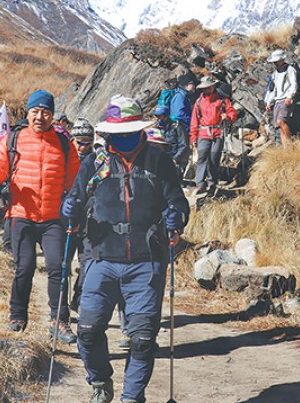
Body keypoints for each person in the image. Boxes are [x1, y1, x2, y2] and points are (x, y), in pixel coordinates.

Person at [61, 95, 190, 403]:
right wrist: (71, 208)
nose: (122, 138)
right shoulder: (95, 162)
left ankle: (132, 398)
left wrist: (177, 216)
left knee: (143, 340)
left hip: (147, 262)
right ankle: (100, 383)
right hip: (100, 259)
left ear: (140, 129)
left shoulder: (160, 162)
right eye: (117, 133)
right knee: (88, 332)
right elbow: (77, 199)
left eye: (128, 131)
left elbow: (179, 203)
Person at [0, 89, 80, 342]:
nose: (40, 117)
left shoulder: (65, 144)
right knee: (24, 266)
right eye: (35, 111)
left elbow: (76, 180)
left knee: (59, 267)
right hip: (21, 214)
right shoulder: (12, 141)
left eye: (45, 112)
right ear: (28, 113)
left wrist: (77, 205)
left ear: (52, 115)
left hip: (53, 218)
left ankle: (60, 321)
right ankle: (18, 314)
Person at [190, 76, 238, 195]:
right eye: (205, 88)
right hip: (203, 133)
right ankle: (200, 183)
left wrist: (228, 117)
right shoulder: (199, 101)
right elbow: (194, 121)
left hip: (217, 133)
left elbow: (232, 112)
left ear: (213, 86)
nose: (207, 89)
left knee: (214, 157)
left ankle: (212, 182)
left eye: (209, 87)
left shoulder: (222, 100)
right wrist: (193, 138)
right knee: (202, 157)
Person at [68, 118, 95, 313]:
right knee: (63, 265)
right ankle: (60, 310)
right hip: (66, 220)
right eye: (79, 141)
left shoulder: (97, 162)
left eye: (87, 142)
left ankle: (77, 300)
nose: (83, 146)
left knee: (86, 265)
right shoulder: (64, 160)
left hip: (88, 223)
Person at [264, 50, 298, 145]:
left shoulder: (290, 70)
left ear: (282, 59)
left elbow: (294, 85)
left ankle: (290, 144)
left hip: (285, 100)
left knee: (280, 121)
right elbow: (274, 89)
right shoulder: (275, 73)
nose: (275, 63)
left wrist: (289, 97)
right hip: (277, 101)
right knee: (279, 127)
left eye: (277, 61)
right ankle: (285, 149)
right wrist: (269, 102)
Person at [153, 104, 188, 176]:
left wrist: (175, 159)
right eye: (156, 116)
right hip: (160, 159)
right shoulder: (156, 128)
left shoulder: (177, 126)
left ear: (165, 116)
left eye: (159, 116)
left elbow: (183, 145)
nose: (157, 118)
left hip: (174, 159)